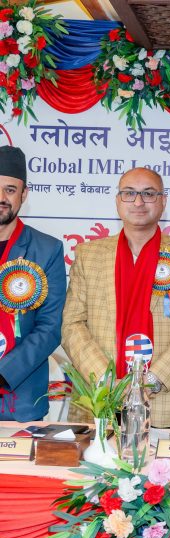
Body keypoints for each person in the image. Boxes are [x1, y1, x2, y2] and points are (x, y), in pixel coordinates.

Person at [62, 167, 170, 428]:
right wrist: (107, 380)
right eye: (129, 193)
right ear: (118, 200)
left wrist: (149, 381)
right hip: (100, 400)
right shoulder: (88, 255)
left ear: (163, 201)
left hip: (165, 403)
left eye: (148, 194)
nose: (138, 202)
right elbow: (72, 325)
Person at [0, 146, 66, 421]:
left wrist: (4, 373)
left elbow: (50, 327)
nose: (1, 198)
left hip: (20, 401)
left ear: (24, 194)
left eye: (10, 190)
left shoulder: (47, 249)